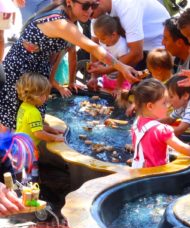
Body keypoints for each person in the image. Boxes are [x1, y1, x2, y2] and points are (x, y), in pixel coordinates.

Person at [0, 0, 138, 131]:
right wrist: (122, 67)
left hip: (37, 72)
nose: (90, 10)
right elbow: (94, 48)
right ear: (69, 3)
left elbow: (56, 57)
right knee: (10, 121)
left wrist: (51, 81)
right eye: (85, 6)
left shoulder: (70, 21)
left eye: (94, 5)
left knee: (31, 121)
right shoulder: (60, 22)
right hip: (19, 70)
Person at [88, 0, 170, 90]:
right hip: (138, 47)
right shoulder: (95, 11)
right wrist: (94, 76)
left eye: (90, 14)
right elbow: (94, 46)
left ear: (98, 2)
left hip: (159, 49)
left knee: (156, 90)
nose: (88, 17)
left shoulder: (127, 6)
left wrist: (106, 71)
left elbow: (136, 54)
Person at [131, 78, 190, 169]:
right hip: (158, 176)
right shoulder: (161, 129)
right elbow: (182, 147)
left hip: (138, 171)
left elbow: (145, 147)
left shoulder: (136, 124)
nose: (168, 106)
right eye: (164, 103)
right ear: (150, 106)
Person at [16, 73, 64, 146]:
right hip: (28, 149)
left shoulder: (24, 106)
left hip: (19, 144)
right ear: (38, 96)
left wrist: (50, 129)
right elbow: (38, 133)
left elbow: (33, 127)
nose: (47, 97)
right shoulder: (34, 112)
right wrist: (55, 138)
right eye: (45, 94)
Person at [87, 14, 130, 91]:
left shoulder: (122, 47)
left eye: (102, 38)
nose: (100, 41)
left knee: (120, 101)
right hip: (107, 77)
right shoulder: (104, 42)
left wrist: (118, 87)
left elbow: (123, 68)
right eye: (99, 38)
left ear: (113, 35)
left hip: (121, 81)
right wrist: (97, 64)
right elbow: (106, 57)